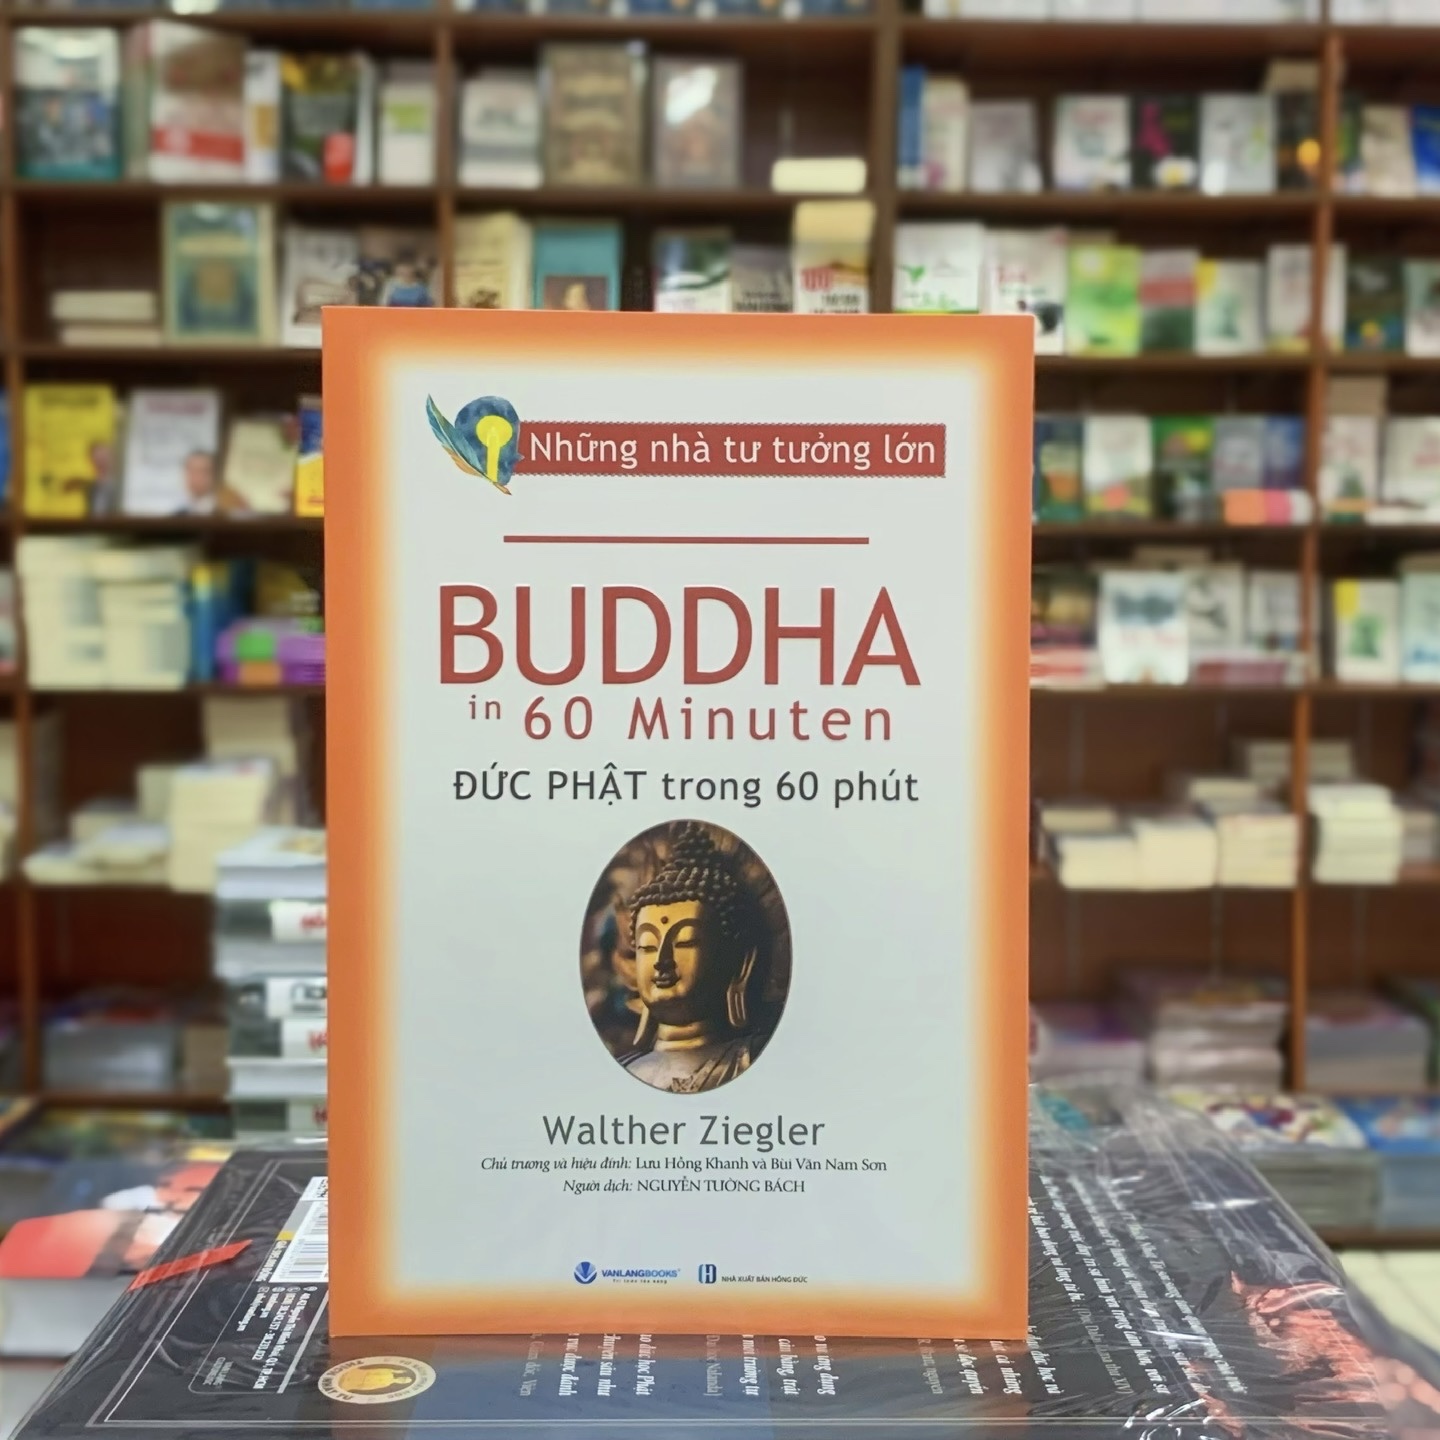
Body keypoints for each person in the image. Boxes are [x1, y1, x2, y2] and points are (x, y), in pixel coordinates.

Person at [621, 822, 769, 1094]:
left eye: (686, 941)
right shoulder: (624, 1069)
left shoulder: (753, 1059)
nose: (662, 960)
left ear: (741, 965)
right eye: (647, 945)